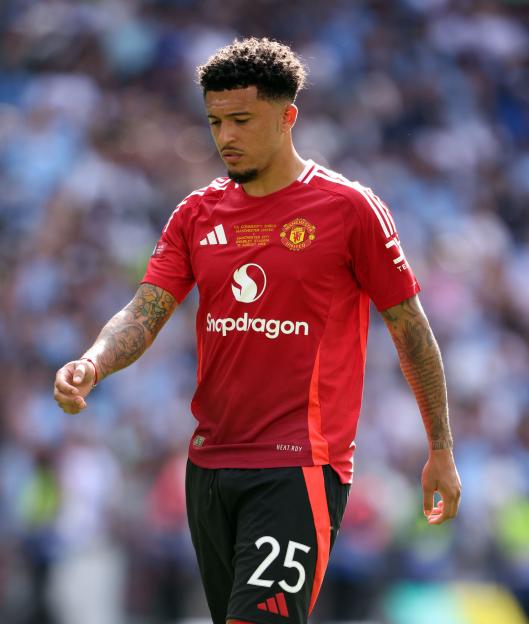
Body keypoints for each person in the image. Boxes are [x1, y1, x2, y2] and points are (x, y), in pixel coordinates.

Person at [54, 37, 461, 624]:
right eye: (215, 121)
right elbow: (146, 309)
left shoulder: (349, 210)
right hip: (209, 467)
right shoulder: (196, 214)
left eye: (242, 120)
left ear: (287, 116)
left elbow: (410, 329)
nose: (226, 137)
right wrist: (92, 362)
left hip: (300, 467)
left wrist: (441, 450)